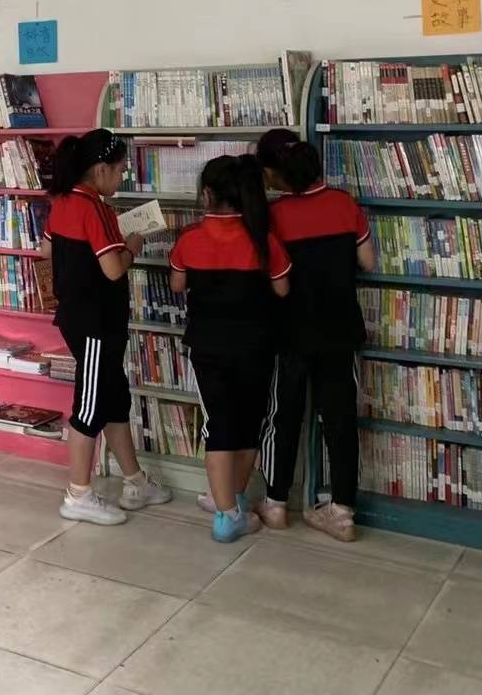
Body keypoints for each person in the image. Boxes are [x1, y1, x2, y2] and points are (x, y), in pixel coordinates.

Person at [42, 128, 173, 525]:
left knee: (115, 401)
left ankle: (135, 481)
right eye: (119, 171)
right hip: (96, 323)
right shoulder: (93, 208)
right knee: (89, 407)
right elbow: (113, 269)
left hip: (79, 317)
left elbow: (46, 249)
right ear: (100, 170)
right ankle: (78, 494)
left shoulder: (62, 200)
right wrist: (131, 245)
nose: (121, 178)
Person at [256, 128, 376, 542]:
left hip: (290, 332)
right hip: (340, 329)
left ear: (275, 174)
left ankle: (275, 504)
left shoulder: (274, 216)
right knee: (340, 419)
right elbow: (368, 260)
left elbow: (270, 275)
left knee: (283, 417)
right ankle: (342, 512)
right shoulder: (344, 203)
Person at [169, 154, 291, 543]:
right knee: (249, 423)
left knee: (219, 425)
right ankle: (235, 498)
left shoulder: (189, 238)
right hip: (257, 345)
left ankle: (226, 514)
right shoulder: (264, 240)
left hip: (207, 346)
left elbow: (176, 285)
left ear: (207, 194)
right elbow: (282, 289)